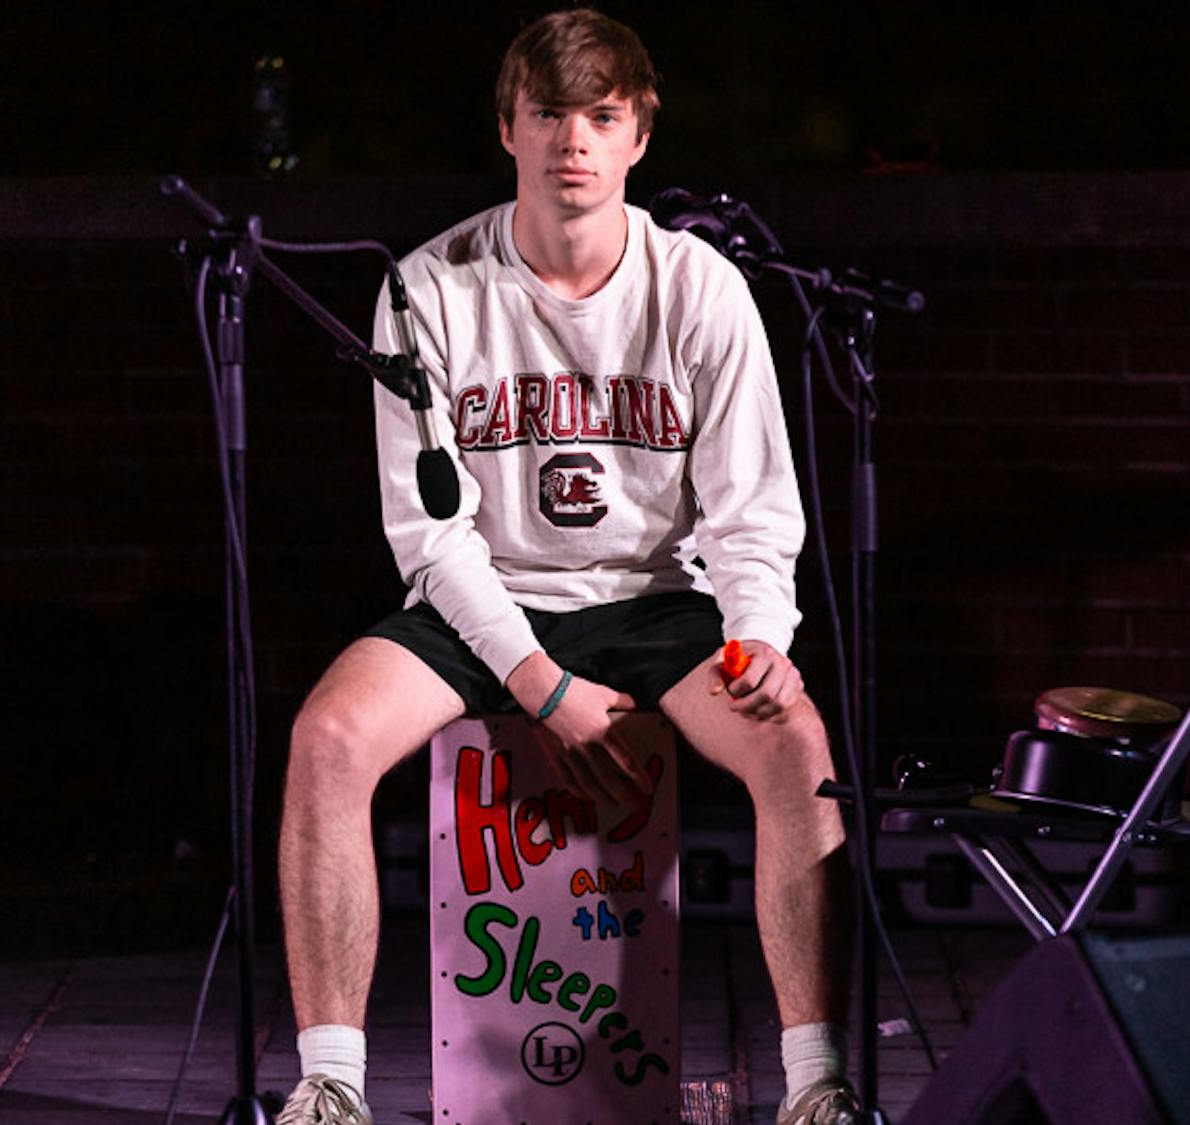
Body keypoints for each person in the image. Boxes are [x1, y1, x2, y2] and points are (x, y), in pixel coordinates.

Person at [275, 9, 856, 1125]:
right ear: (508, 128)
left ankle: (816, 1082)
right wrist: (540, 684)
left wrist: (764, 645)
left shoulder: (702, 290)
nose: (573, 143)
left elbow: (749, 512)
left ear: (640, 132)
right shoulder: (425, 289)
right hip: (481, 599)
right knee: (328, 738)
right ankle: (331, 1085)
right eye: (548, 114)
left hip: (650, 600)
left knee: (796, 745)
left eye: (600, 116)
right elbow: (429, 536)